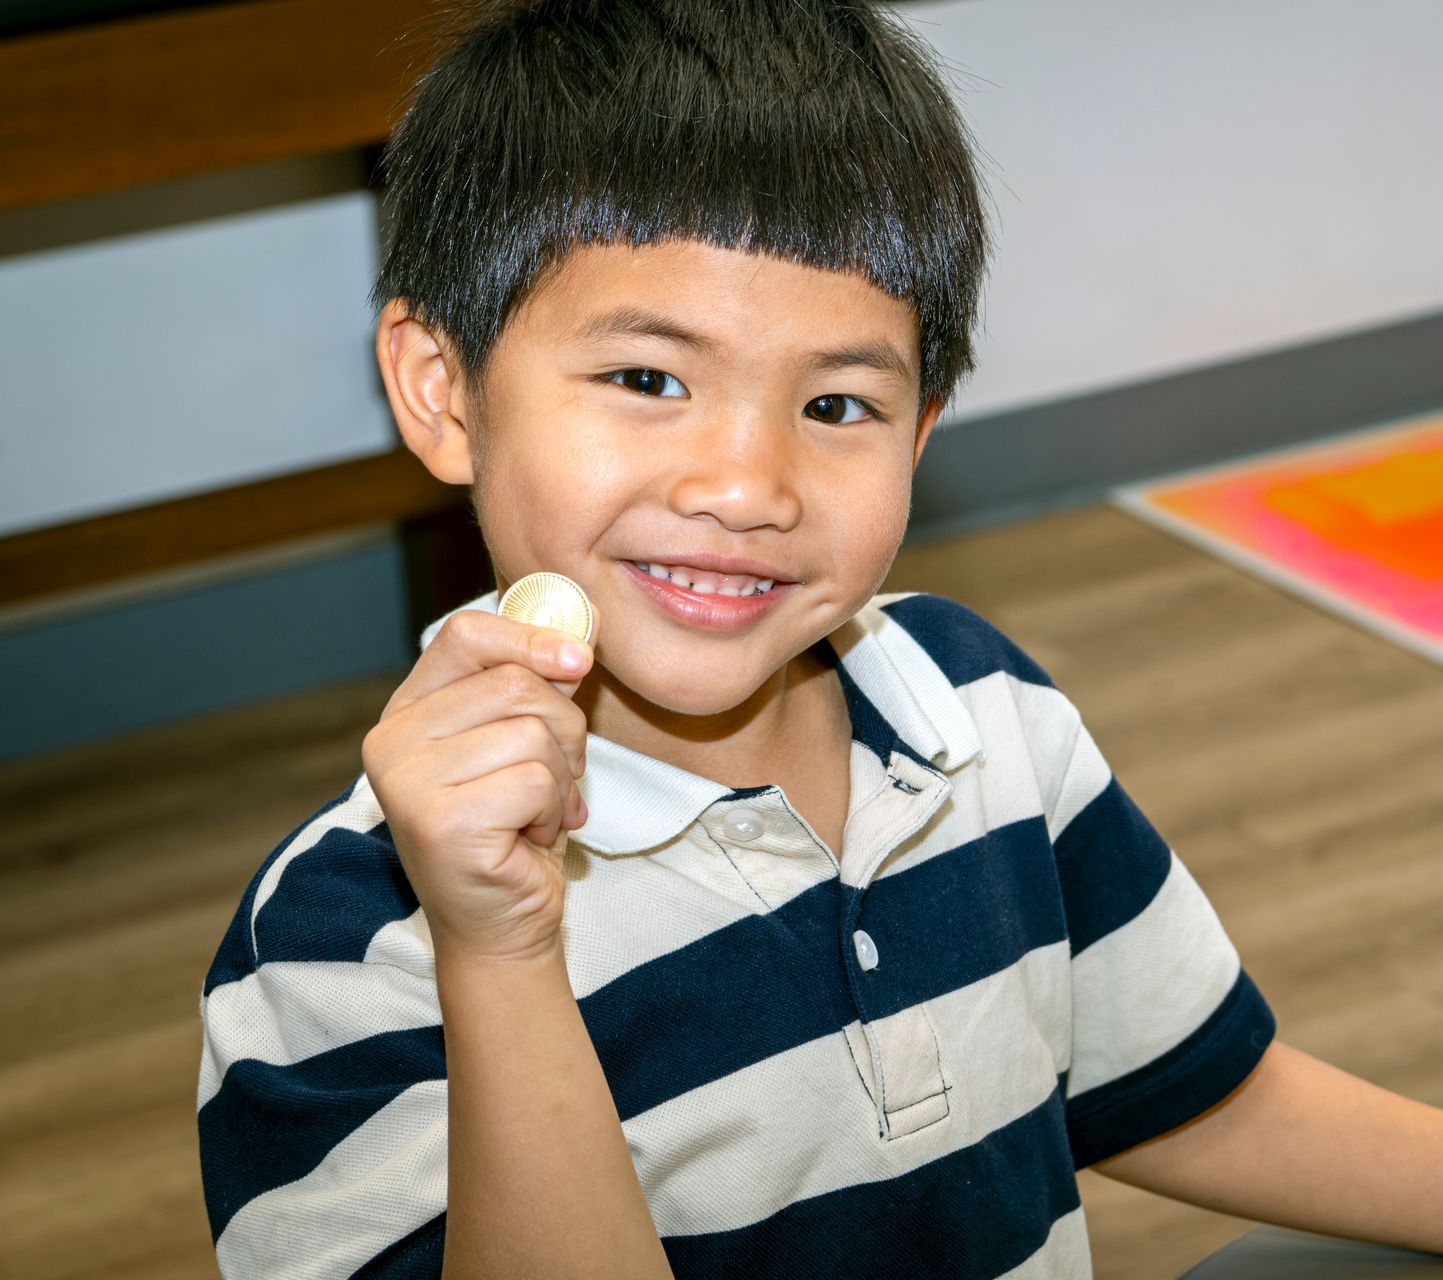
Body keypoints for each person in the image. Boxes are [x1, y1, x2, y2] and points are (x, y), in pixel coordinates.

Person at [195, 1, 1443, 1276]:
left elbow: (1190, 1090)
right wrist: (499, 952)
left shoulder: (977, 708)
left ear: (921, 431)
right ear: (441, 387)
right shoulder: (343, 942)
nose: (748, 485)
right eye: (648, 380)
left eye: (837, 403)